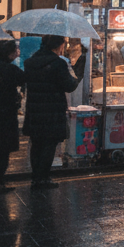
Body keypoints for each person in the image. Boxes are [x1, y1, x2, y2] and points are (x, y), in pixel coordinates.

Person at [21, 35, 85, 190]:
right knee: (49, 145)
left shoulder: (30, 62)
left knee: (37, 144)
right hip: (52, 110)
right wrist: (76, 72)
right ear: (60, 46)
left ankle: (36, 178)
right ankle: (43, 179)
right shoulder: (58, 64)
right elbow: (69, 86)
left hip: (35, 110)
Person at [0, 39, 24, 191]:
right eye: (14, 51)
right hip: (4, 115)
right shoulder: (10, 70)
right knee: (1, 150)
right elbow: (24, 79)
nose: (16, 53)